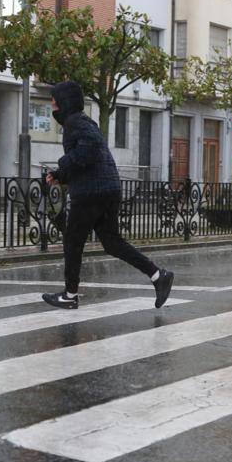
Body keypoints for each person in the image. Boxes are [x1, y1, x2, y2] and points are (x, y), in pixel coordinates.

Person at [41, 81, 173, 309]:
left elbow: (88, 151)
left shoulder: (74, 123)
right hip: (108, 189)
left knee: (73, 242)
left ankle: (70, 295)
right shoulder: (84, 122)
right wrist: (61, 174)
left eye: (53, 102)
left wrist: (63, 163)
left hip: (91, 193)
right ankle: (157, 275)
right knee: (112, 243)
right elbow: (89, 157)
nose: (52, 106)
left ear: (64, 103)